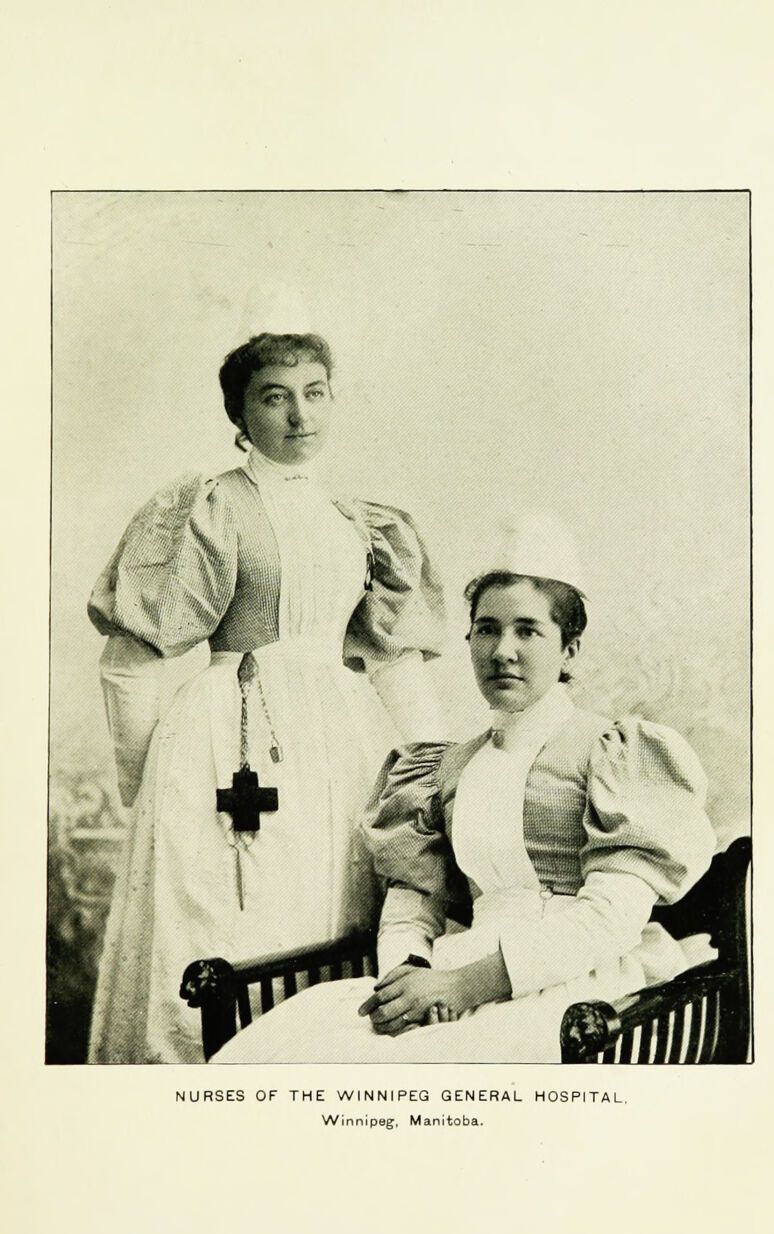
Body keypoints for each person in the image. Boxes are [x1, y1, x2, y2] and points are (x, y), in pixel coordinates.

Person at [212, 514, 717, 1064]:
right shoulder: (442, 769)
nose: (503, 650)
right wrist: (410, 974)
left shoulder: (615, 754)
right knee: (282, 1048)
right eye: (487, 629)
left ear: (569, 649)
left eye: (529, 630)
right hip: (456, 975)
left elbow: (609, 921)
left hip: (580, 984)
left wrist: (466, 986)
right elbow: (412, 906)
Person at [87, 328, 445, 1063]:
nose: (298, 415)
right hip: (227, 738)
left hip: (345, 740)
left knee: (339, 910)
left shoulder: (359, 523)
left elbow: (395, 661)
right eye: (274, 397)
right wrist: (147, 781)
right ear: (239, 413)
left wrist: (438, 774)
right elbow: (131, 654)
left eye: (314, 394)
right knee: (228, 920)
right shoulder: (210, 508)